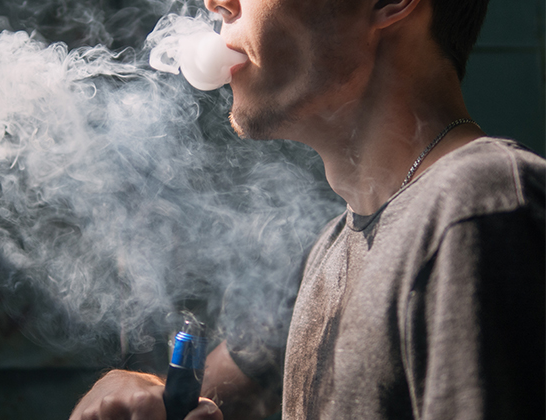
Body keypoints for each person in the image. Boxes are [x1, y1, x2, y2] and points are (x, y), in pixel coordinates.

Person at [70, 0, 546, 418]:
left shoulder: (479, 210)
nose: (216, 3)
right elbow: (207, 400)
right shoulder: (329, 249)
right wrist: (138, 393)